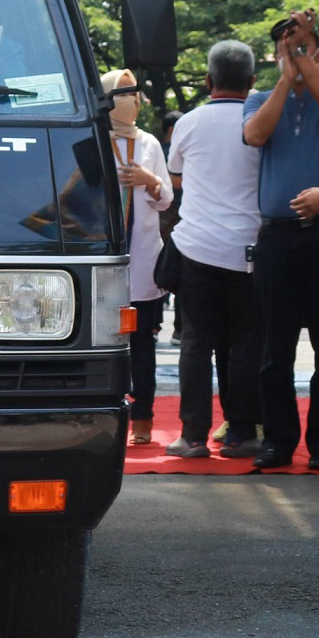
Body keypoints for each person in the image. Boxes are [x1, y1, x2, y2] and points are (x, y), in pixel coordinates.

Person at [242, 11, 319, 470]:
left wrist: (305, 64)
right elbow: (255, 134)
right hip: (276, 237)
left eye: (304, 46)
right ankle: (279, 441)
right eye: (287, 47)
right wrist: (285, 79)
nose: (294, 53)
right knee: (274, 347)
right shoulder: (262, 98)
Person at [164, 42, 266, 459]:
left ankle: (192, 437)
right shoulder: (262, 122)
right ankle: (242, 433)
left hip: (197, 248)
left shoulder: (189, 122)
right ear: (253, 82)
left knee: (196, 341)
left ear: (208, 81)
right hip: (250, 248)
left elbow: (175, 179)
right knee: (244, 342)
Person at [105, 69, 174, 446]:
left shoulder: (148, 142)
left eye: (135, 94)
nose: (133, 100)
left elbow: (166, 200)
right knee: (106, 341)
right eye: (124, 92)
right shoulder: (94, 139)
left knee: (141, 344)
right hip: (104, 264)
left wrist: (150, 180)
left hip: (144, 264)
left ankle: (143, 419)